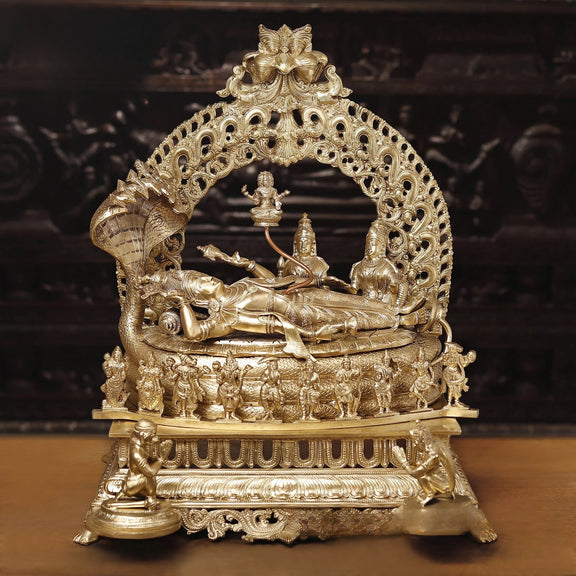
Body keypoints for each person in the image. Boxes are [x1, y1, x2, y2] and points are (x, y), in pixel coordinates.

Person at [142, 268, 425, 360]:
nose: (209, 278)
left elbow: (269, 281)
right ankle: (400, 320)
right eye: (201, 283)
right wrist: (182, 304)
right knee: (351, 319)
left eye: (203, 275)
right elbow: (195, 334)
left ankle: (394, 309)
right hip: (300, 314)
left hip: (298, 293)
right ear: (198, 298)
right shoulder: (225, 315)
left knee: (353, 302)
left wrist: (247, 264)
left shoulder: (237, 285)